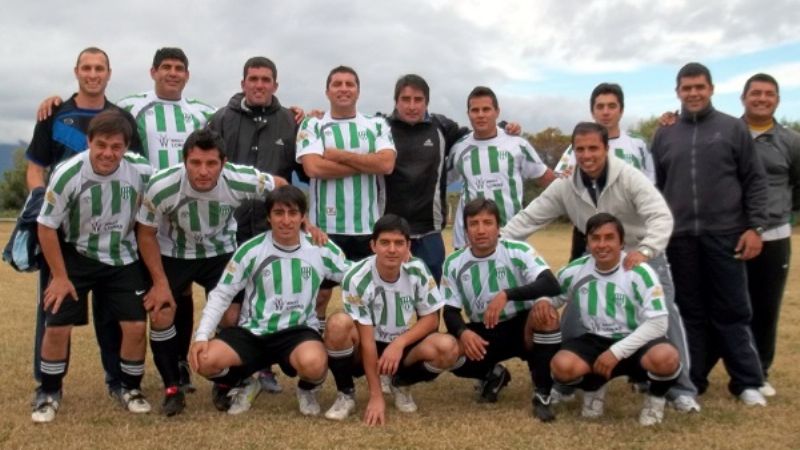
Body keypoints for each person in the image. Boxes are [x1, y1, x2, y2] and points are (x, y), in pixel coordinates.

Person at [502, 122, 699, 411]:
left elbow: (660, 216)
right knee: (574, 315)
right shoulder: (565, 185)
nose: (586, 155)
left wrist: (646, 250)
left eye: (593, 148)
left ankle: (681, 390)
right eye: (580, 149)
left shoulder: (629, 177)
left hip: (639, 254)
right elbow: (528, 219)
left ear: (606, 148)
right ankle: (566, 382)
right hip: (597, 256)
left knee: (664, 315)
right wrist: (495, 243)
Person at [136, 128, 285, 415]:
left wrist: (301, 223)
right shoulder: (162, 185)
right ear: (184, 161)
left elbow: (280, 186)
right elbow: (145, 233)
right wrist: (159, 282)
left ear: (223, 163)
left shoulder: (239, 179)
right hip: (175, 252)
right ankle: (173, 386)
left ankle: (224, 381)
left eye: (211, 163)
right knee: (161, 311)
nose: (203, 171)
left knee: (230, 316)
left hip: (220, 251)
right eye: (195, 163)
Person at [26, 47, 143, 401]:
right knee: (56, 307)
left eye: (99, 68)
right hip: (62, 232)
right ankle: (48, 386)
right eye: (87, 68)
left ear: (109, 73)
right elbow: (35, 168)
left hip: (110, 236)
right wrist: (42, 203)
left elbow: (134, 169)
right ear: (76, 71)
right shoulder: (53, 113)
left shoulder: (123, 118)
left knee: (112, 314)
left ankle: (117, 381)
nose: (93, 74)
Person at [651, 62, 769, 406]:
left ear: (711, 89)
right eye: (686, 88)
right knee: (688, 312)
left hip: (726, 234)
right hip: (679, 238)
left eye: (699, 87)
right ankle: (693, 379)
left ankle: (747, 382)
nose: (693, 93)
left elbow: (755, 180)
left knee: (732, 310)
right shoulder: (665, 133)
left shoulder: (733, 128)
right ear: (677, 92)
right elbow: (655, 188)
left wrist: (755, 227)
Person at [31, 111, 153, 423]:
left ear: (126, 147)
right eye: (101, 145)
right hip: (77, 255)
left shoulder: (141, 170)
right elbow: (46, 226)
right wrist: (60, 277)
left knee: (135, 326)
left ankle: (130, 388)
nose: (108, 153)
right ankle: (49, 391)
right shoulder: (68, 173)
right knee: (57, 325)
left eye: (116, 146)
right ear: (89, 142)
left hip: (122, 256)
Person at [188, 185, 351, 416]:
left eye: (293, 213)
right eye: (278, 213)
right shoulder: (251, 250)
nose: (286, 220)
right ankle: (245, 383)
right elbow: (222, 294)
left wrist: (390, 267)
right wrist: (202, 335)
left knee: (314, 364)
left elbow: (354, 276)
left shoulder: (319, 247)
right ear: (268, 217)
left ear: (303, 217)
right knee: (203, 360)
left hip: (298, 331)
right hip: (254, 332)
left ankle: (306, 389)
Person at [207, 56, 309, 393]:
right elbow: (205, 165)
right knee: (231, 307)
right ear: (243, 83)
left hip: (272, 231)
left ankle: (265, 368)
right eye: (253, 79)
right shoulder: (221, 119)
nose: (259, 85)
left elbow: (305, 169)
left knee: (269, 301)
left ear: (275, 85)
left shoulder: (290, 121)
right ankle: (232, 373)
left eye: (266, 79)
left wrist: (314, 121)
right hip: (228, 228)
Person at [323, 214, 459, 423]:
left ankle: (400, 383)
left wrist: (399, 343)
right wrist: (376, 396)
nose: (392, 249)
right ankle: (346, 393)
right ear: (373, 245)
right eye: (385, 242)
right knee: (337, 324)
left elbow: (431, 319)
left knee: (448, 347)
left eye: (399, 243)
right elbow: (367, 340)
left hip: (400, 345)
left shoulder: (417, 269)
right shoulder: (357, 277)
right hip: (367, 345)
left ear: (408, 246)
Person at [548, 213, 681, 426]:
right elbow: (551, 297)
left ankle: (655, 399)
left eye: (609, 237)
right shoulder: (574, 270)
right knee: (562, 366)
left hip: (636, 340)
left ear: (621, 243)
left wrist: (616, 352)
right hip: (595, 339)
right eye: (595, 238)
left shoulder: (640, 271)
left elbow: (659, 323)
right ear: (587, 242)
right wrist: (543, 304)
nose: (602, 244)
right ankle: (594, 387)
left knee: (666, 357)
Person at [442, 198, 562, 422]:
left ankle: (543, 393)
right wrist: (463, 332)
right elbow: (449, 310)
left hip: (522, 326)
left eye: (487, 223)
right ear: (465, 230)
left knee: (546, 314)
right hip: (484, 330)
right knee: (445, 349)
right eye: (474, 224)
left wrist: (507, 294)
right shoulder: (453, 262)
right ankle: (493, 374)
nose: (481, 230)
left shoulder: (518, 250)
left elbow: (550, 284)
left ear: (498, 227)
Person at [296, 66, 396, 332]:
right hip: (323, 231)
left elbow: (386, 164)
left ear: (358, 91)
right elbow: (313, 168)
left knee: (370, 297)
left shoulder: (376, 125)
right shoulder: (313, 124)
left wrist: (338, 156)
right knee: (319, 296)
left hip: (367, 229)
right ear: (327, 91)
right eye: (337, 84)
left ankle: (370, 348)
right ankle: (315, 342)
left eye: (349, 84)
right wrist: (366, 163)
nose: (343, 89)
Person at [740, 74, 800, 397]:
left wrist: (780, 214)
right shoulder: (728, 133)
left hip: (774, 236)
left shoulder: (791, 141)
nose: (762, 99)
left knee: (766, 308)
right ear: (743, 97)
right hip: (732, 235)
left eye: (769, 94)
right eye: (756, 93)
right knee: (729, 306)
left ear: (777, 100)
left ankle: (759, 372)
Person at [554, 83, 654, 261]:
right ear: (592, 112)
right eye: (600, 107)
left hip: (631, 230)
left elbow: (651, 187)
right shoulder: (576, 148)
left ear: (621, 110)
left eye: (611, 106)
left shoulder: (638, 145)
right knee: (584, 277)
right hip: (589, 230)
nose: (606, 112)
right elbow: (560, 185)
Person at [448, 86, 554, 249]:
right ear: (468, 113)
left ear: (497, 112)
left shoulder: (517, 144)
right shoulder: (459, 148)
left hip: (511, 238)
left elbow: (547, 179)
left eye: (486, 109)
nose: (481, 115)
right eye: (475, 110)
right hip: (467, 242)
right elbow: (440, 182)